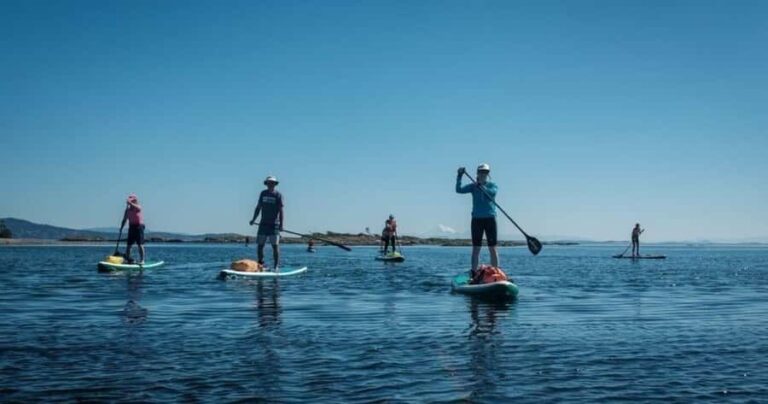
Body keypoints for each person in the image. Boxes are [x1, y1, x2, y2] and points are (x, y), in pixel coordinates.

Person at [456, 164, 498, 277]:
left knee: (492, 247)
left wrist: (481, 186)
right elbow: (458, 190)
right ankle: (474, 272)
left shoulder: (493, 185)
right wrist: (459, 175)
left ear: (488, 174)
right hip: (476, 220)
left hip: (490, 219)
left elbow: (491, 193)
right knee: (476, 248)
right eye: (481, 172)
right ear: (478, 173)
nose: (483, 174)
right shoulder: (473, 186)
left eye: (485, 172)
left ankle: (495, 272)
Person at [249, 176, 284, 271]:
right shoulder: (263, 193)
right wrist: (253, 219)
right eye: (269, 183)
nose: (270, 184)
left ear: (275, 184)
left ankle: (276, 266)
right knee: (260, 245)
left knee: (275, 246)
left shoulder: (278, 195)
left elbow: (281, 211)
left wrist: (281, 225)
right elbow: (258, 207)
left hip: (274, 225)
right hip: (263, 224)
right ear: (266, 184)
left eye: (272, 183)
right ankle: (260, 264)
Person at [122, 193, 145, 264]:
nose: (130, 202)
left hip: (139, 227)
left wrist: (131, 203)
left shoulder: (137, 207)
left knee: (140, 244)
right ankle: (127, 259)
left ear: (135, 201)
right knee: (129, 245)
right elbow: (124, 219)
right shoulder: (127, 210)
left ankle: (142, 260)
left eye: (132, 201)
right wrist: (121, 227)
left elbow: (139, 208)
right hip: (131, 227)